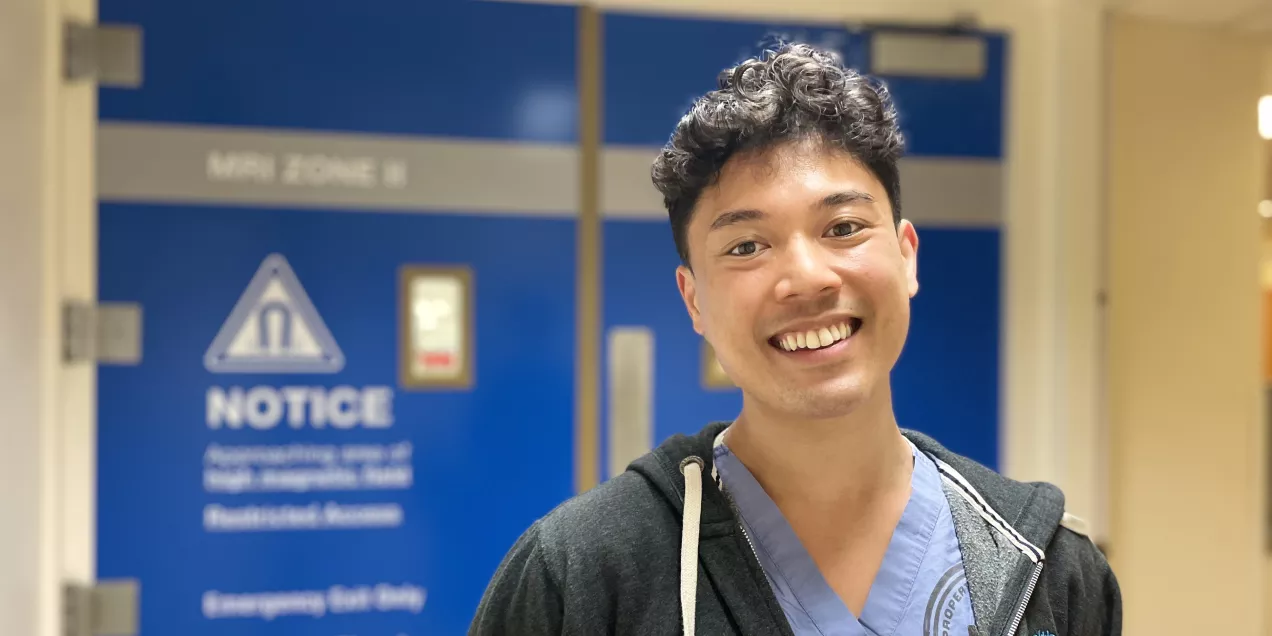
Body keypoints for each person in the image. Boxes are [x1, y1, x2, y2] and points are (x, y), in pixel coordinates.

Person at [468, 42, 1121, 636]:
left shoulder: (1051, 572)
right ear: (693, 298)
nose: (806, 279)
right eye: (747, 245)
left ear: (907, 256)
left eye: (842, 228)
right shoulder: (579, 580)